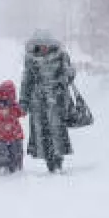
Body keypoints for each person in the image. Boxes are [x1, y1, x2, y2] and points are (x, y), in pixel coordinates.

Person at [19, 30, 76, 173]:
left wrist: (65, 77)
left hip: (57, 101)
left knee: (57, 132)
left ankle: (58, 161)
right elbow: (27, 81)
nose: (43, 48)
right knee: (42, 133)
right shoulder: (31, 59)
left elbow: (69, 75)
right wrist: (24, 102)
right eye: (40, 45)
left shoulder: (61, 56)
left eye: (46, 45)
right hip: (37, 102)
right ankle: (50, 161)